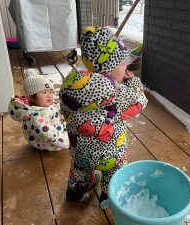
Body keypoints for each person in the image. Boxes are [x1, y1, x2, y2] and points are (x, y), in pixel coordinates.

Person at [59, 26, 148, 205]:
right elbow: (140, 102)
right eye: (123, 64)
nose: (126, 68)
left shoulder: (69, 85)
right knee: (114, 171)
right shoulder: (116, 92)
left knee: (79, 169)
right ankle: (110, 196)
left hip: (80, 151)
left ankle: (76, 189)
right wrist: (133, 83)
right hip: (111, 154)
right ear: (110, 67)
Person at [8, 69, 69, 151]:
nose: (49, 95)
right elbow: (48, 134)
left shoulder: (45, 105)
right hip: (48, 143)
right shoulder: (37, 116)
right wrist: (68, 142)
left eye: (50, 91)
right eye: (44, 92)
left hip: (56, 131)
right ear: (31, 97)